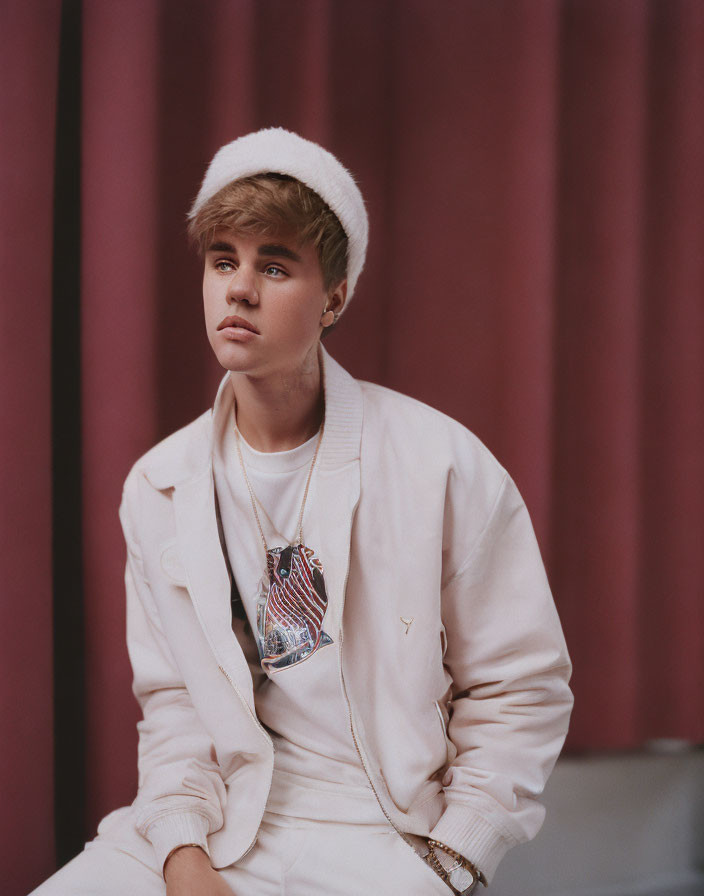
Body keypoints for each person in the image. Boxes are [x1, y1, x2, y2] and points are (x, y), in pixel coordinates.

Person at [31, 127, 574, 896]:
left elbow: (521, 684)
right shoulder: (159, 485)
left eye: (274, 266)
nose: (239, 289)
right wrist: (183, 857)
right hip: (217, 819)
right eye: (224, 262)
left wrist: (459, 857)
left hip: (387, 833)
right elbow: (176, 705)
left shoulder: (441, 463)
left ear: (334, 298)